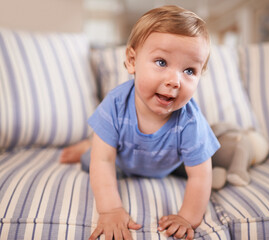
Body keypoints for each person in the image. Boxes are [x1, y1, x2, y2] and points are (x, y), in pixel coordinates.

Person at [60, 5, 220, 240]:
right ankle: (90, 143)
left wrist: (187, 217)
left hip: (167, 163)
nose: (175, 81)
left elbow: (200, 176)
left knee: (203, 163)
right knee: (92, 158)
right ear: (132, 61)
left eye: (189, 70)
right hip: (122, 161)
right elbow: (103, 161)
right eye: (162, 62)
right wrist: (111, 209)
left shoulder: (190, 122)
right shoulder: (116, 103)